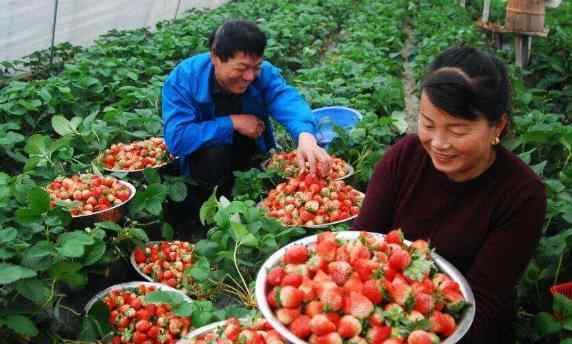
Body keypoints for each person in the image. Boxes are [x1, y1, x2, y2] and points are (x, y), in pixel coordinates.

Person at [353, 47, 546, 343]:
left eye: (457, 130)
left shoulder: (521, 194)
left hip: (465, 328)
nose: (439, 143)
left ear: (498, 126)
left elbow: (483, 304)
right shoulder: (405, 157)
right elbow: (362, 244)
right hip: (379, 314)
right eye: (428, 124)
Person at [162, 20, 331, 201]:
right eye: (241, 68)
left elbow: (285, 98)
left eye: (256, 67)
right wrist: (232, 122)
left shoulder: (263, 73)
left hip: (252, 157)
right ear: (215, 58)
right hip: (205, 167)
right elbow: (177, 139)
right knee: (214, 154)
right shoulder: (184, 80)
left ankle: (254, 193)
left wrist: (305, 135)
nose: (249, 76)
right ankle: (209, 209)